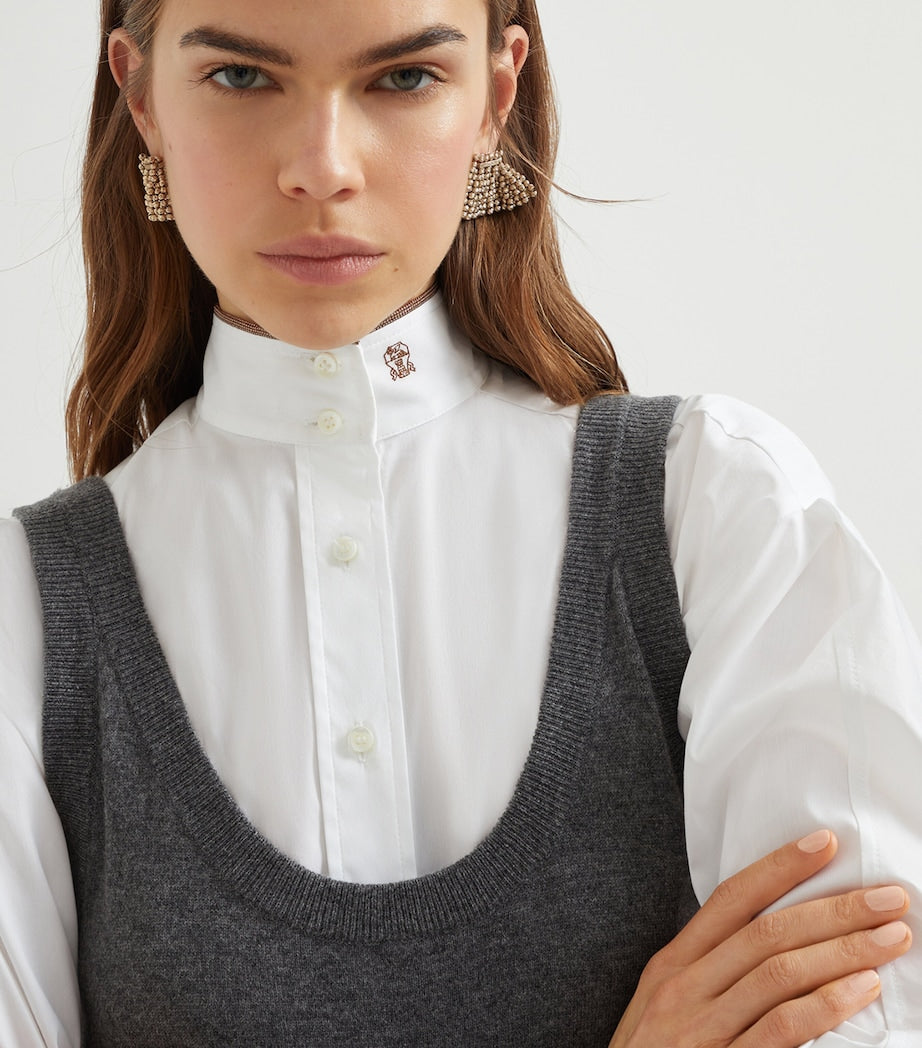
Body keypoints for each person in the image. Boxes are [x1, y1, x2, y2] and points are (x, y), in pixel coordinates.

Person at [0, 0, 920, 1044]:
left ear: (495, 94)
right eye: (242, 78)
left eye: (402, 78)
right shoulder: (24, 616)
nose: (322, 169)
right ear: (140, 99)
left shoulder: (720, 510)